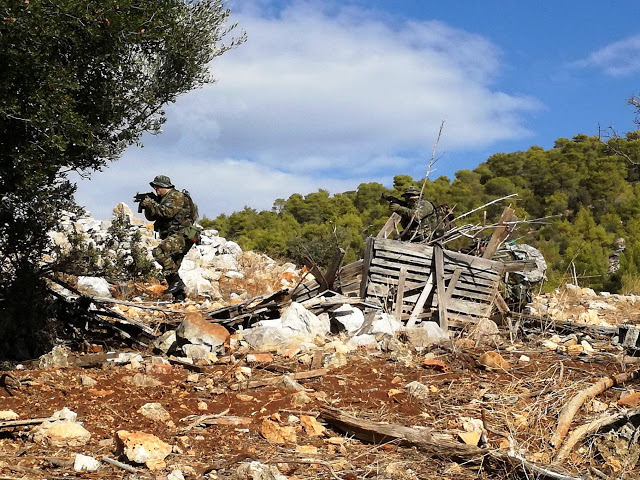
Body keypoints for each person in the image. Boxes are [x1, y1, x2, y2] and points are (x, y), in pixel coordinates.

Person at [138, 175, 199, 300]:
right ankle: (179, 298)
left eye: (158, 186)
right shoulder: (162, 199)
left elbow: (167, 212)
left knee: (159, 252)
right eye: (155, 187)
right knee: (172, 267)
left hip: (184, 234)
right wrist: (148, 206)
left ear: (165, 186)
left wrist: (152, 203)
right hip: (175, 235)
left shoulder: (177, 196)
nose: (156, 189)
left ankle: (177, 283)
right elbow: (151, 217)